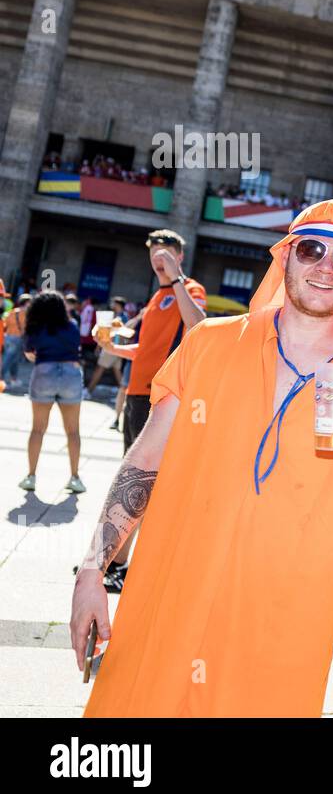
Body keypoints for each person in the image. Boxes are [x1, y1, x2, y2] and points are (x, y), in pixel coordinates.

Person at [70, 201, 333, 716]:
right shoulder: (208, 344)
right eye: (311, 249)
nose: (326, 267)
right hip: (167, 608)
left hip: (278, 636)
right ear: (285, 256)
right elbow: (144, 460)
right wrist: (91, 571)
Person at [92, 230, 206, 592]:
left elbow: (199, 325)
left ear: (179, 256)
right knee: (133, 479)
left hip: (163, 396)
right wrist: (112, 345)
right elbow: (146, 350)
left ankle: (124, 565)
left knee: (143, 483)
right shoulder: (157, 296)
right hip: (137, 393)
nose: (158, 256)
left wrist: (176, 279)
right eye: (155, 251)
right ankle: (116, 562)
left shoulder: (187, 289)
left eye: (166, 252)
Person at [19, 291, 87, 494]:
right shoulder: (72, 325)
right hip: (70, 373)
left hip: (45, 371)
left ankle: (31, 476)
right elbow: (77, 349)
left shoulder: (36, 328)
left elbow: (30, 353)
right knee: (73, 431)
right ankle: (75, 477)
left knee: (37, 429)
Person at [86, 296, 127, 396]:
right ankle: (124, 395)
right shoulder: (123, 317)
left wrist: (100, 346)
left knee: (99, 368)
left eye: (114, 303)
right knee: (117, 372)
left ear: (118, 305)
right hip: (117, 348)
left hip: (111, 347)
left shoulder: (119, 318)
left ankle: (88, 391)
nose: (112, 305)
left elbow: (110, 334)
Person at [2, 292, 31, 388]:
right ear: (26, 303)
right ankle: (2, 377)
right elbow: (27, 327)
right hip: (18, 338)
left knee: (12, 359)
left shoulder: (12, 311)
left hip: (8, 337)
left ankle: (13, 378)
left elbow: (5, 324)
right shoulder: (26, 314)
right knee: (9, 359)